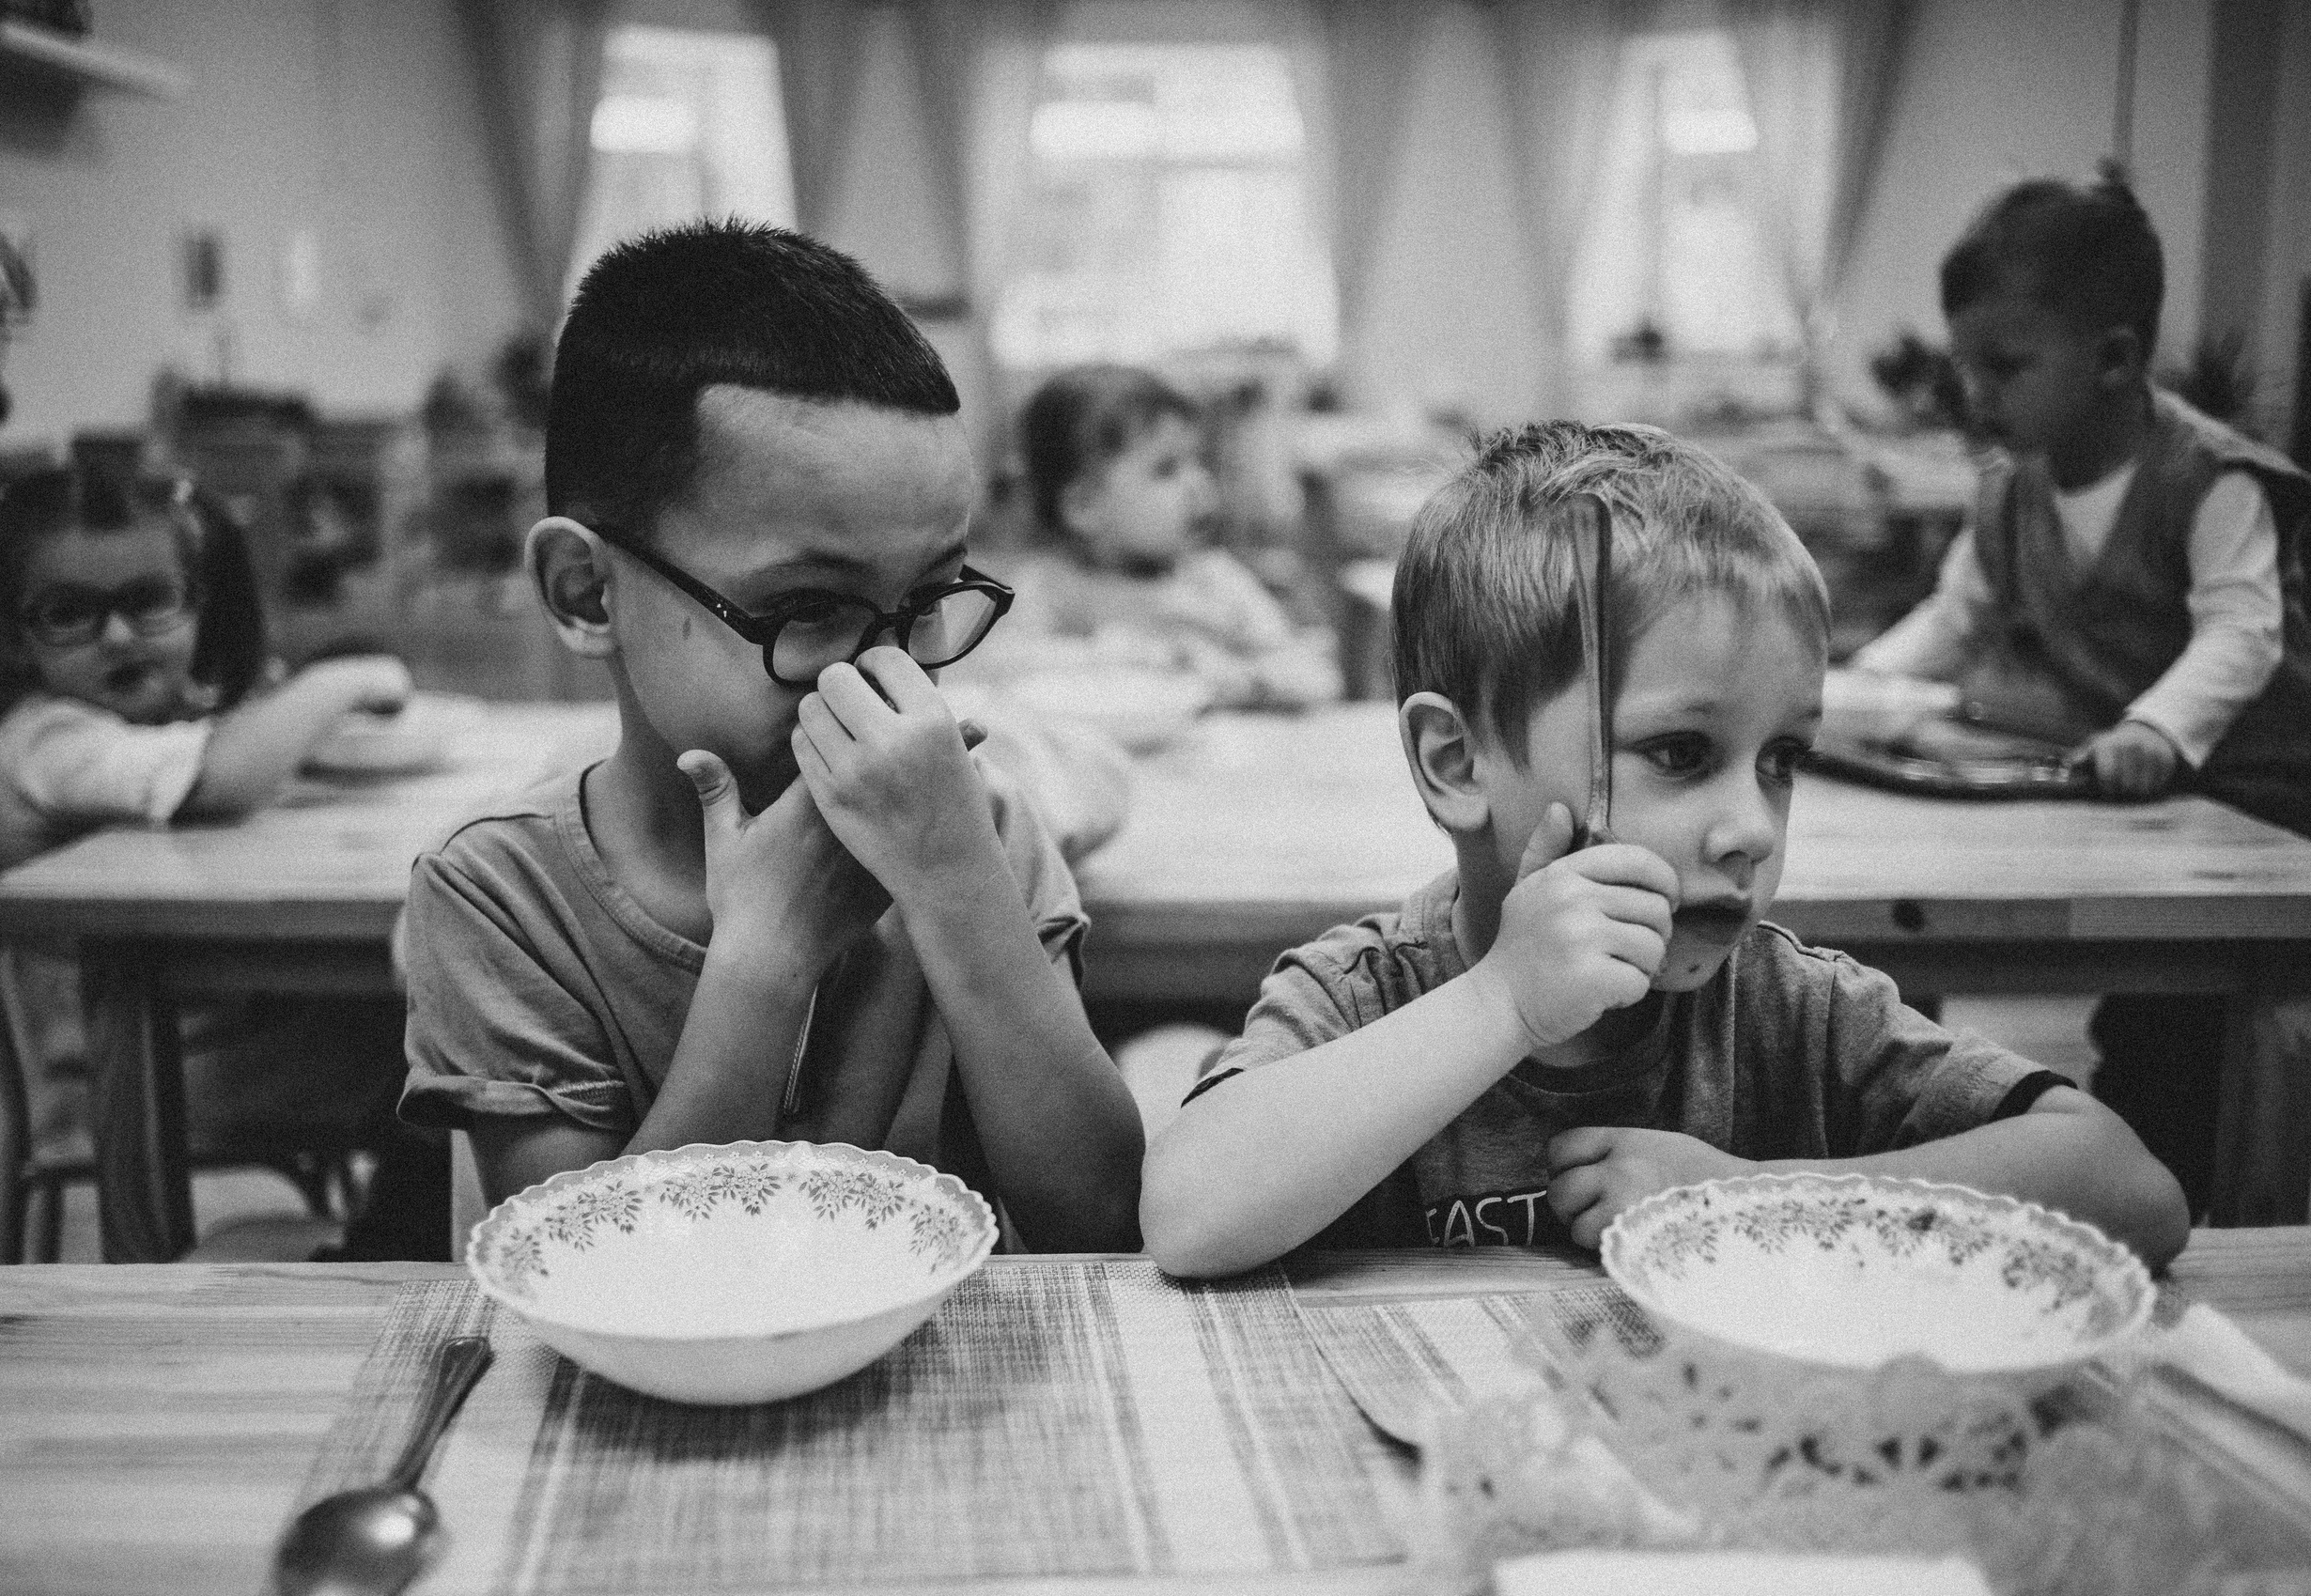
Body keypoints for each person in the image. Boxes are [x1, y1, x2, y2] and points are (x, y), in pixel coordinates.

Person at [1140, 421, 2190, 1279]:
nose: (1752, 827)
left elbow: (2126, 1187)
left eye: (1781, 758)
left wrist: (1755, 1197)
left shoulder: (1786, 1009)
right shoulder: (1365, 998)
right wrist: (1502, 1001)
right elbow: (1187, 1213)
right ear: (1457, 765)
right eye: (1680, 753)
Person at [395, 220, 1144, 1252]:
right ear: (586, 593)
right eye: (809, 608)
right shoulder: (503, 896)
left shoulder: (974, 825)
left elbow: (1097, 1223)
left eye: (928, 601)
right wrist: (764, 961)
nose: (891, 681)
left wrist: (960, 890)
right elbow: (594, 1278)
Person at [1849, 171, 2311, 1214]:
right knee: (2137, 1023)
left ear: (2114, 358)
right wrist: (1854, 685)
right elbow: (1957, 613)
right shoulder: (2012, 488)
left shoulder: (2209, 478)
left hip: (2253, 805)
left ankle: (2205, 1205)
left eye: (2004, 366)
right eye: (1967, 365)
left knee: (2192, 1029)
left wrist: (2158, 724)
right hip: (2133, 810)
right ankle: (2126, 1173)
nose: (1977, 393)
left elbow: (2242, 630)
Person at [0, 460, 446, 1259]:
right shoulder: (48, 739)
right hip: (123, 1071)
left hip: (193, 1031)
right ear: (16, 638)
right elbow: (223, 778)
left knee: (423, 1027)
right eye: (70, 615)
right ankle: (394, 1252)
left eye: (147, 601)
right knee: (435, 1044)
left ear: (195, 604)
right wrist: (347, 677)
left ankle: (395, 1237)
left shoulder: (123, 724)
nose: (119, 637)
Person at [990, 364, 1342, 710]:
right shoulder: (1049, 588)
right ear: (1084, 506)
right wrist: (1124, 655)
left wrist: (1243, 680)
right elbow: (1008, 676)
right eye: (1166, 469)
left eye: (1198, 462)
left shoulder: (1214, 582)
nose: (1199, 484)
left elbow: (1317, 678)